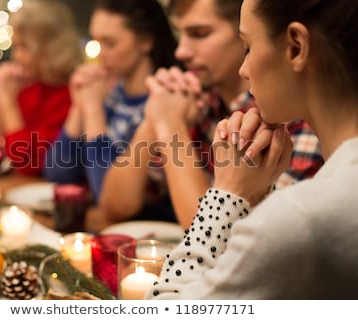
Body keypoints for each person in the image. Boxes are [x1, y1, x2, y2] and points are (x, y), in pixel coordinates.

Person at [146, 0, 358, 299]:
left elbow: (164, 308)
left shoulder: (302, 217)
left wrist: (228, 195)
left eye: (248, 47)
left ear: (296, 47)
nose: (243, 70)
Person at [99, 0, 324, 229]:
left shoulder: (291, 116)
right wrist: (153, 120)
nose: (181, 51)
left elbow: (214, 240)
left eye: (199, 34)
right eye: (180, 34)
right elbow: (116, 206)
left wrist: (170, 127)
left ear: (245, 34)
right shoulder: (202, 104)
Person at [43, 0, 181, 211]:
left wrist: (92, 110)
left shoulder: (164, 101)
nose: (99, 54)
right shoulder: (112, 93)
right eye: (96, 42)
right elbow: (58, 173)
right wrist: (78, 107)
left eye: (110, 43)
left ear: (146, 41)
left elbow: (107, 197)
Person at [0, 0, 82, 176]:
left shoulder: (71, 94)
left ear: (51, 49)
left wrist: (7, 103)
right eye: (15, 46)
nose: (16, 56)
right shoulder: (26, 85)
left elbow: (27, 162)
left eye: (24, 47)